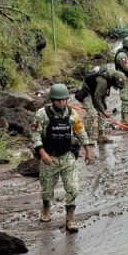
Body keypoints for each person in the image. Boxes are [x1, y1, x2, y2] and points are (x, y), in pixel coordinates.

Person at [30, 83, 92, 231]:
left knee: (73, 188)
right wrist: (42, 152)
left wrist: (88, 149)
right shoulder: (42, 114)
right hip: (49, 157)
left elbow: (80, 131)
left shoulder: (72, 114)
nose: (61, 102)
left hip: (67, 156)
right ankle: (46, 207)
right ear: (52, 100)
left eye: (64, 100)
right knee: (46, 189)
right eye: (58, 100)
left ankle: (70, 219)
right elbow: (34, 133)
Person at [75, 67, 126, 144]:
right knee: (92, 114)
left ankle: (101, 136)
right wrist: (103, 111)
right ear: (115, 80)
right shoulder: (103, 81)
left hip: (95, 91)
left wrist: (103, 107)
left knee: (102, 111)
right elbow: (97, 97)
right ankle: (86, 138)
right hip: (86, 91)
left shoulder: (110, 77)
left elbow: (102, 94)